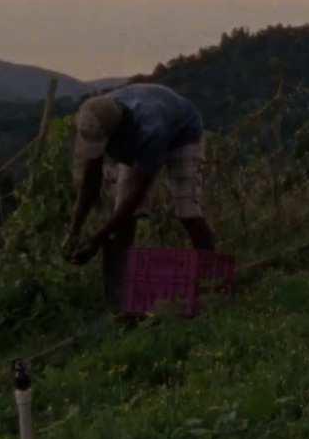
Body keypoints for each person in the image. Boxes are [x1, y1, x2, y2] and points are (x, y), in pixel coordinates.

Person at [62, 82, 216, 307]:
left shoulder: (150, 131)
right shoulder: (98, 117)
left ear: (115, 135)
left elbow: (135, 196)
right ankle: (121, 301)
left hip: (182, 133)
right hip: (142, 135)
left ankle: (210, 280)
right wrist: (74, 231)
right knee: (123, 225)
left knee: (186, 210)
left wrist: (97, 240)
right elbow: (90, 182)